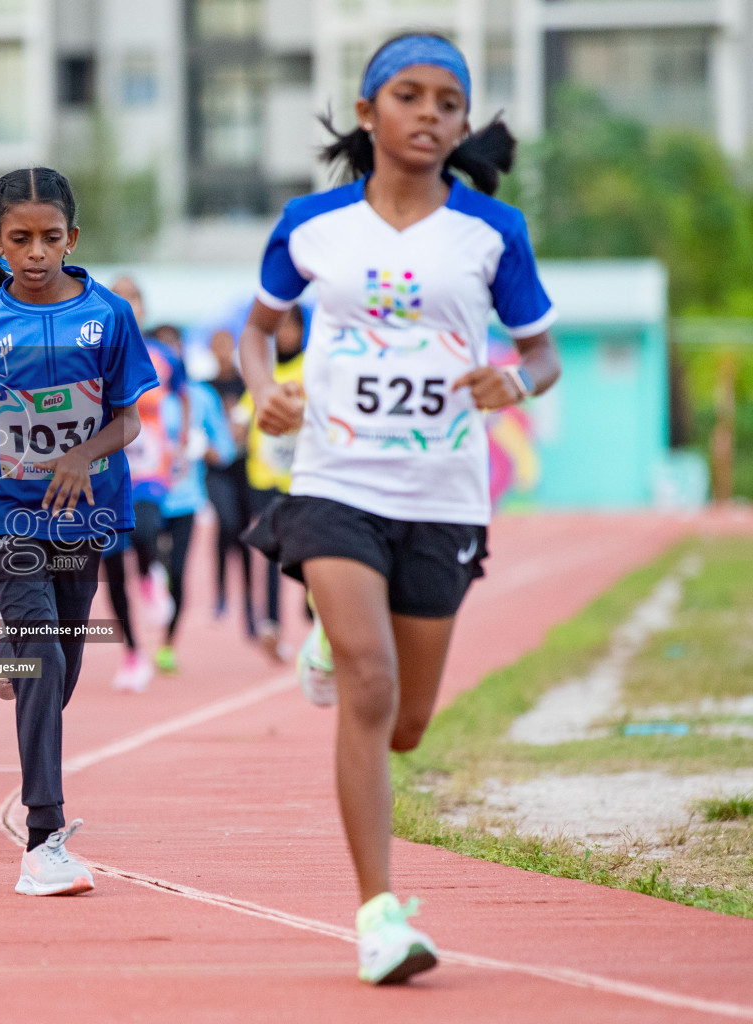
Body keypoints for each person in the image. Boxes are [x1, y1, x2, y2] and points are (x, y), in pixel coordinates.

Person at [240, 34, 560, 984]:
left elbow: (542, 352)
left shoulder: (492, 233)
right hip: (338, 481)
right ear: (369, 111)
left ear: (463, 125)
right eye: (410, 96)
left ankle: (333, 642)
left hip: (444, 495)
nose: (430, 114)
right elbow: (258, 333)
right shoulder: (311, 223)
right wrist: (268, 389)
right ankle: (379, 915)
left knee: (409, 723)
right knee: (370, 689)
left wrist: (515, 382)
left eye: (448, 103)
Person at [0, 167, 158, 896]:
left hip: (82, 514)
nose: (34, 253)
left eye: (50, 238)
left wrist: (83, 454)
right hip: (5, 510)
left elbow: (127, 415)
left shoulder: (110, 316)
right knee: (46, 659)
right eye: (18, 239)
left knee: (59, 676)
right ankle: (43, 839)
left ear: (72, 238)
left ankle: (4, 644)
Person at [101, 279, 187, 691]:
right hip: (108, 467)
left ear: (142, 307)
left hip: (151, 466)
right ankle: (133, 653)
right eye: (117, 297)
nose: (126, 305)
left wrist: (184, 441)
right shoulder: (95, 351)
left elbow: (184, 396)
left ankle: (152, 576)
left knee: (149, 530)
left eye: (132, 297)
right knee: (113, 567)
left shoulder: (164, 356)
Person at [154, 333, 236, 673]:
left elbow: (225, 448)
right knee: (153, 566)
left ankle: (167, 643)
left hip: (186, 499)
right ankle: (150, 594)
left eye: (174, 347)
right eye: (161, 348)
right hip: (148, 496)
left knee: (177, 571)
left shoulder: (201, 396)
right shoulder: (141, 393)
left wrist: (208, 449)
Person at [240, 304, 309, 662]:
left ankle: (315, 610)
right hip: (264, 478)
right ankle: (271, 624)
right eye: (279, 328)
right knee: (268, 554)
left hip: (303, 480)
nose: (284, 334)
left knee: (309, 553)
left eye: (291, 328)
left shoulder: (310, 367)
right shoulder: (262, 371)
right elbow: (244, 410)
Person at [202, 328, 256, 630]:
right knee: (227, 522)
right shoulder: (206, 387)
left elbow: (255, 418)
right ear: (211, 349)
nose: (222, 350)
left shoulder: (245, 384)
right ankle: (221, 590)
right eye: (216, 345)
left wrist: (243, 434)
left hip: (242, 467)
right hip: (216, 470)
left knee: (243, 533)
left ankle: (249, 601)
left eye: (226, 344)